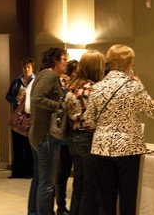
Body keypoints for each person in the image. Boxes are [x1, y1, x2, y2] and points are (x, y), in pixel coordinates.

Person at [84, 44, 154, 215]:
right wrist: (139, 84)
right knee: (127, 197)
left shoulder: (97, 87)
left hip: (101, 147)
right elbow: (151, 111)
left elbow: (88, 119)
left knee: (106, 197)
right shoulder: (134, 86)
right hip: (128, 147)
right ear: (128, 65)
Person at [28, 47, 67, 215]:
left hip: (39, 134)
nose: (66, 63)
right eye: (64, 59)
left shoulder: (45, 75)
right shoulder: (49, 75)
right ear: (56, 60)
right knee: (47, 183)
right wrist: (60, 106)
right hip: (47, 136)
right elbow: (37, 98)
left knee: (39, 179)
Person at [65, 50, 105, 215]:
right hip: (88, 137)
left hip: (73, 137)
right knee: (91, 187)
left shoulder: (73, 86)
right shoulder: (93, 88)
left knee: (78, 184)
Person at [6, 58, 35, 179]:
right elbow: (8, 97)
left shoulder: (36, 81)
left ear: (32, 68)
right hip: (17, 116)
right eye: (24, 67)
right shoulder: (16, 82)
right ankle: (17, 172)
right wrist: (16, 98)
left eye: (28, 67)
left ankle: (29, 171)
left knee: (28, 145)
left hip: (29, 117)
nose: (26, 69)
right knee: (17, 145)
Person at [55, 60, 78, 215]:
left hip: (75, 138)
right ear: (71, 72)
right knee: (62, 173)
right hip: (64, 138)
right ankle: (61, 206)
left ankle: (75, 206)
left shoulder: (79, 87)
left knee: (78, 175)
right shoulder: (64, 88)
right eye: (76, 71)